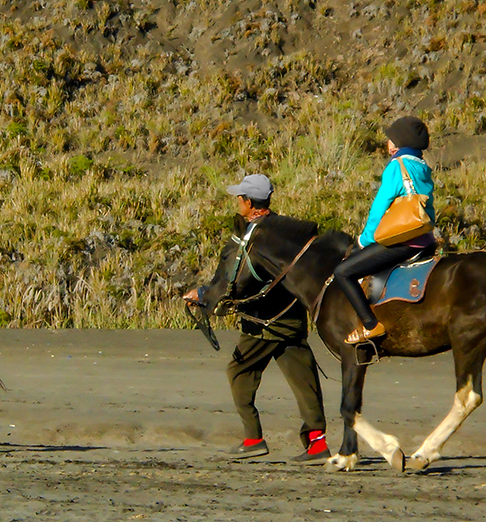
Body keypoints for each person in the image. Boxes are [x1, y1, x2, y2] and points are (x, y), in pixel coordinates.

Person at [184, 174, 330, 463]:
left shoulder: (254, 238)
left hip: (264, 323)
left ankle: (253, 439)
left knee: (238, 373)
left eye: (239, 198)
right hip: (292, 318)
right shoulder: (281, 232)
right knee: (304, 380)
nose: (237, 202)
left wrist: (203, 294)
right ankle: (317, 443)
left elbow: (237, 280)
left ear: (249, 203)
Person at [335, 116, 437, 345]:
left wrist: (365, 239)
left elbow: (379, 209)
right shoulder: (422, 167)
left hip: (403, 242)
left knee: (343, 272)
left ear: (397, 143)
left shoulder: (396, 167)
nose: (387, 142)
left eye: (390, 138)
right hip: (425, 239)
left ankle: (371, 326)